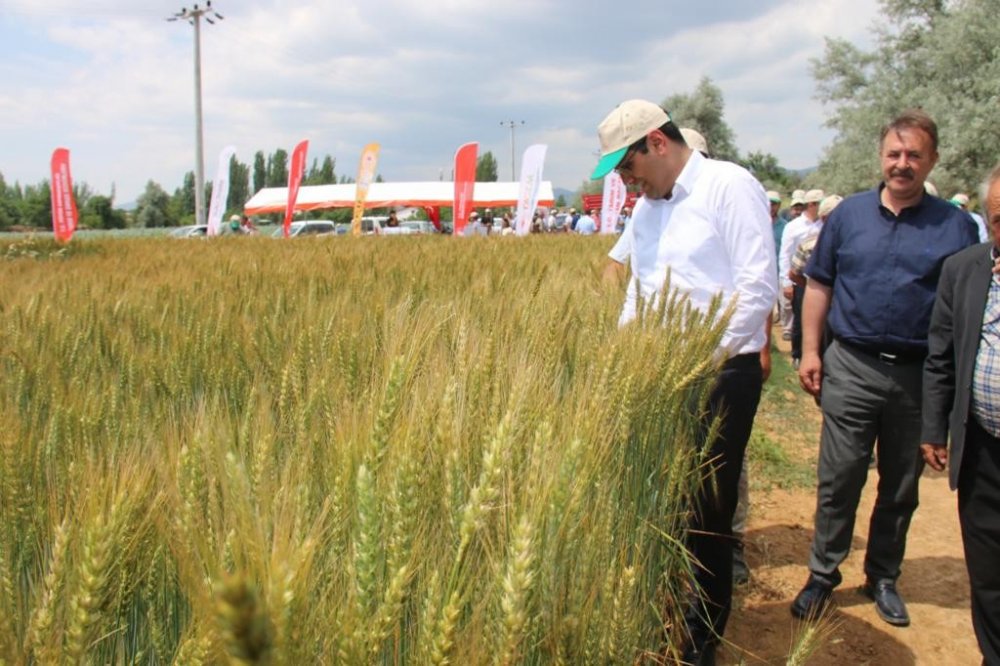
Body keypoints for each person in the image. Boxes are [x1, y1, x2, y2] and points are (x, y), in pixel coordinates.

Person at [595, 99, 776, 664]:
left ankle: (702, 640)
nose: (626, 182)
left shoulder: (729, 186)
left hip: (723, 376)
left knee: (708, 513)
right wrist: (625, 356)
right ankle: (665, 612)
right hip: (659, 373)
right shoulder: (648, 209)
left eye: (627, 167)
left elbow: (756, 288)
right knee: (663, 500)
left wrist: (698, 359)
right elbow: (639, 292)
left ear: (656, 141)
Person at [791, 109, 979, 626]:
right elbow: (819, 286)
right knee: (840, 478)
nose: (903, 165)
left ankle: (883, 576)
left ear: (932, 159)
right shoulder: (847, 217)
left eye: (914, 155)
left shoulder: (957, 226)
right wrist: (810, 350)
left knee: (900, 484)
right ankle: (822, 576)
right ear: (881, 156)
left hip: (920, 377)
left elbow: (971, 299)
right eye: (894, 154)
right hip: (851, 366)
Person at [922, 164, 1000, 665]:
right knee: (988, 572)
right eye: (998, 220)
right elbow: (942, 353)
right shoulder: (964, 269)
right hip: (985, 452)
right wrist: (935, 427)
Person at [779, 189, 824, 367]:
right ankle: (797, 353)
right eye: (819, 203)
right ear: (812, 204)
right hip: (800, 279)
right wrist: (786, 282)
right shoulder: (793, 227)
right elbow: (785, 254)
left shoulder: (826, 224)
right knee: (800, 317)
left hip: (820, 281)